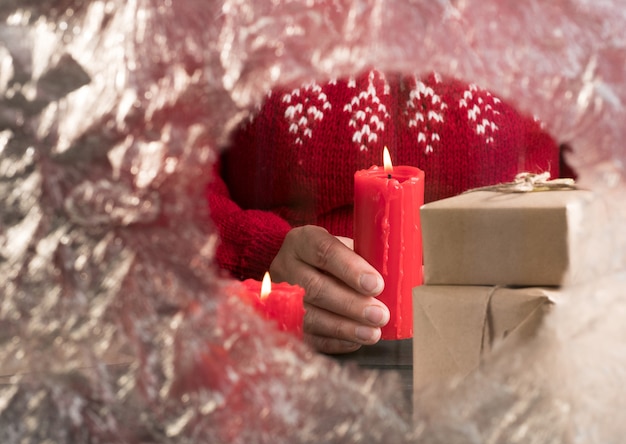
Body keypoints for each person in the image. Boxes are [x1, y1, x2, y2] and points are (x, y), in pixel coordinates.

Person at [207, 69, 561, 354]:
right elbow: (165, 177)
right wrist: (258, 265)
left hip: (514, 344)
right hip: (270, 348)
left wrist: (545, 257)